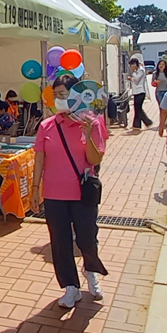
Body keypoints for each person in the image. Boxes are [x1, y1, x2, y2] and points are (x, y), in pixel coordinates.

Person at [30, 75, 109, 309]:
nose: (60, 100)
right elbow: (40, 159)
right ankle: (70, 287)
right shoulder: (47, 126)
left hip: (83, 193)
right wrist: (35, 188)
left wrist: (88, 134)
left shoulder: (92, 122)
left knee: (87, 239)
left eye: (64, 95)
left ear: (77, 96)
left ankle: (90, 270)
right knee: (60, 242)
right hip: (54, 194)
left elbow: (95, 159)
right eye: (57, 96)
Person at [128, 59, 153, 129]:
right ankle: (136, 125)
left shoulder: (141, 70)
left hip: (140, 92)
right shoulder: (137, 71)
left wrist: (133, 73)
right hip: (136, 92)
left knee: (138, 109)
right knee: (136, 108)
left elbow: (136, 79)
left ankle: (148, 122)